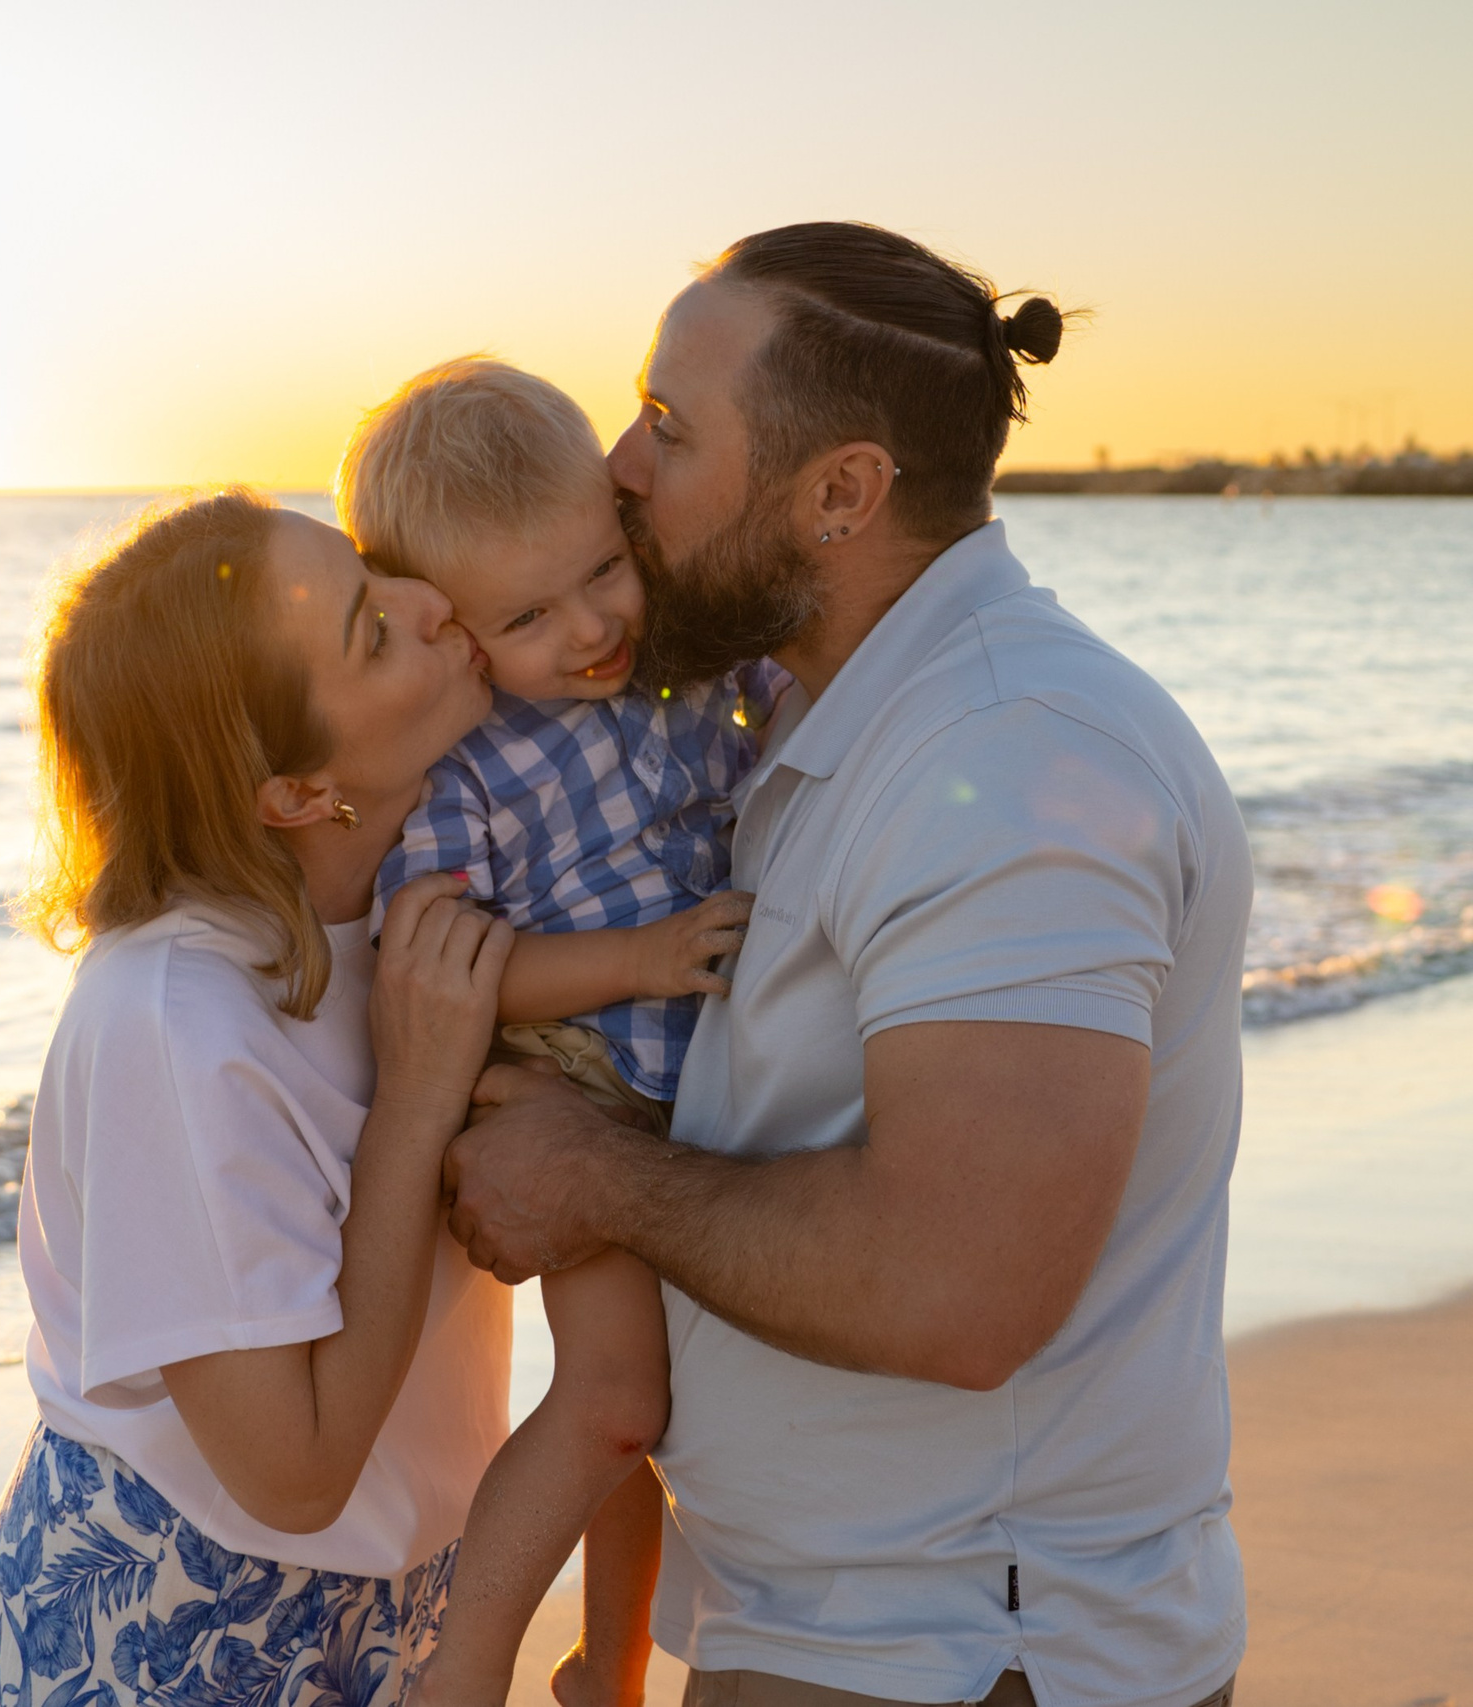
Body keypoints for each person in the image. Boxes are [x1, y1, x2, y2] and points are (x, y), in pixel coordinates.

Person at [442, 222, 1252, 1707]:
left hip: (963, 1652)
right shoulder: (840, 722)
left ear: (838, 494)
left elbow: (960, 1282)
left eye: (672, 429)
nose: (617, 465)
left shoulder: (1015, 755)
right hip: (852, 1630)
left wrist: (596, 1175)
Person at [0, 488, 519, 1707]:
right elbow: (295, 1474)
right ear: (289, 791)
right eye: (373, 631)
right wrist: (418, 1104)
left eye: (378, 579)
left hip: (393, 1589)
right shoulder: (170, 1026)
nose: (435, 604)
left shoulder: (398, 916)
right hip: (181, 1615)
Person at [336, 358, 778, 1707]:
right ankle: (459, 1676)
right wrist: (640, 957)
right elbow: (460, 971)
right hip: (575, 1077)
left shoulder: (681, 668)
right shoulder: (465, 762)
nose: (591, 625)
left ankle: (613, 1667)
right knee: (611, 1400)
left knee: (655, 1421)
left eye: (603, 568)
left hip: (692, 1079)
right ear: (459, 633)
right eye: (529, 615)